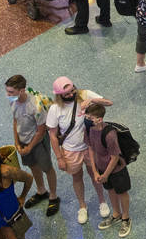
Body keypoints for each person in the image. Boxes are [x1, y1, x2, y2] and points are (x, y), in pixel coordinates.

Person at [45, 77, 111, 225]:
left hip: (90, 147)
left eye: (72, 91)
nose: (71, 95)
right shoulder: (55, 109)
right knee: (77, 177)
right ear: (59, 95)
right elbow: (53, 136)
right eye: (66, 94)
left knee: (96, 174)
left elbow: (109, 102)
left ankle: (102, 201)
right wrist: (60, 158)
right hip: (70, 150)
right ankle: (82, 206)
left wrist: (93, 101)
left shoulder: (85, 95)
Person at [4, 75, 59, 218]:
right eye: (7, 91)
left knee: (47, 168)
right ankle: (41, 191)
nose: (7, 95)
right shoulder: (13, 102)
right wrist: (17, 142)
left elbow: (41, 130)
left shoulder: (36, 105)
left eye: (11, 92)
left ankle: (53, 196)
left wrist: (29, 147)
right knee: (33, 166)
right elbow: (15, 121)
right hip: (23, 141)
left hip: (38, 142)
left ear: (21, 91)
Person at [82, 104, 131, 237]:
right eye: (86, 116)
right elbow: (91, 149)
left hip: (116, 169)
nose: (86, 119)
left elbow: (115, 157)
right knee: (110, 190)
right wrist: (95, 171)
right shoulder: (89, 129)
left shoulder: (109, 134)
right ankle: (116, 214)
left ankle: (125, 218)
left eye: (89, 117)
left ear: (99, 119)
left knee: (122, 192)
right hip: (101, 168)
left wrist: (106, 174)